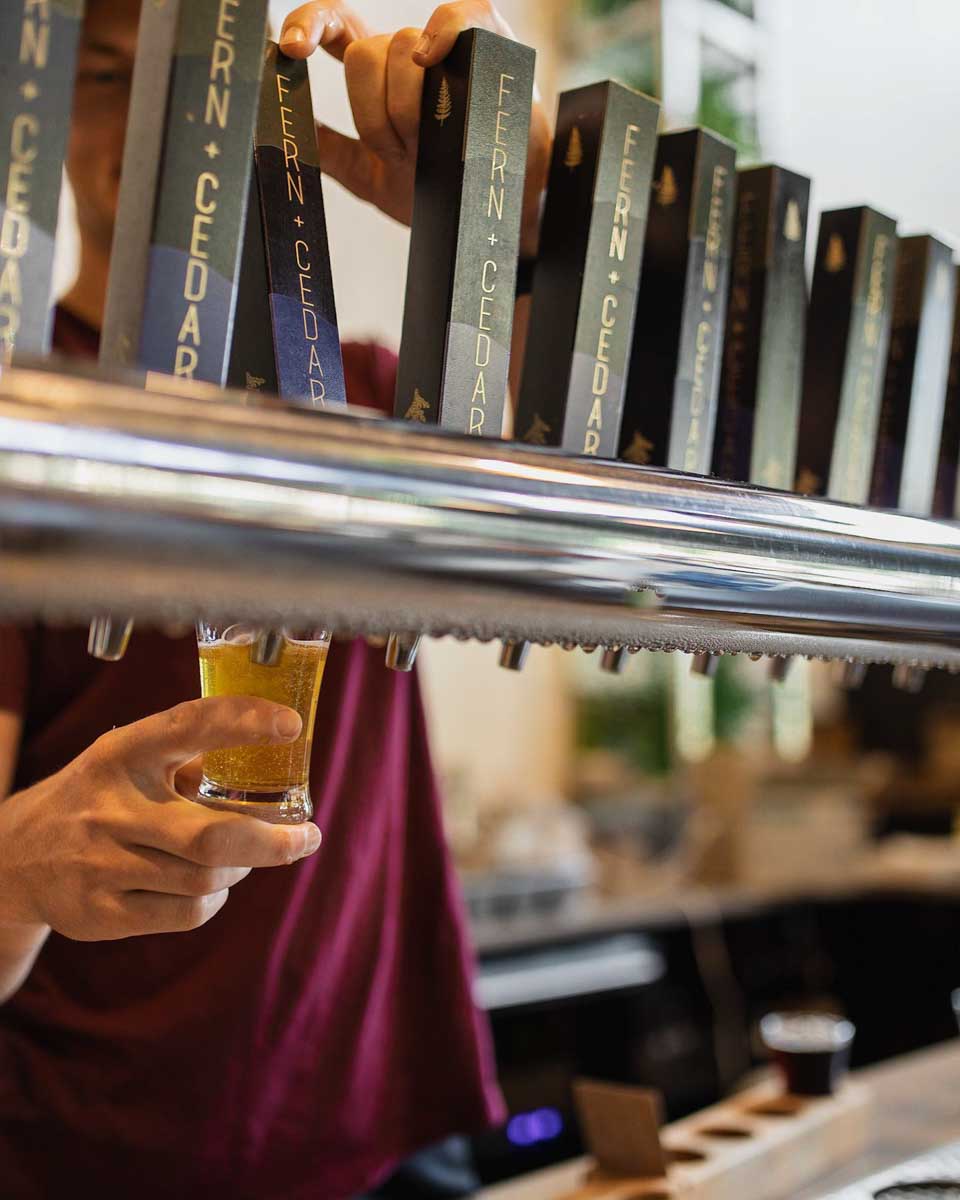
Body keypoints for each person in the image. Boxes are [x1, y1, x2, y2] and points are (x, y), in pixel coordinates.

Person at [0, 2, 550, 1196]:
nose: (166, 107)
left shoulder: (365, 400)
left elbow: (599, 469)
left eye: (201, 70)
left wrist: (480, 219)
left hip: (384, 1142)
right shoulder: (21, 427)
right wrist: (16, 873)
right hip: (91, 1161)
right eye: (110, 75)